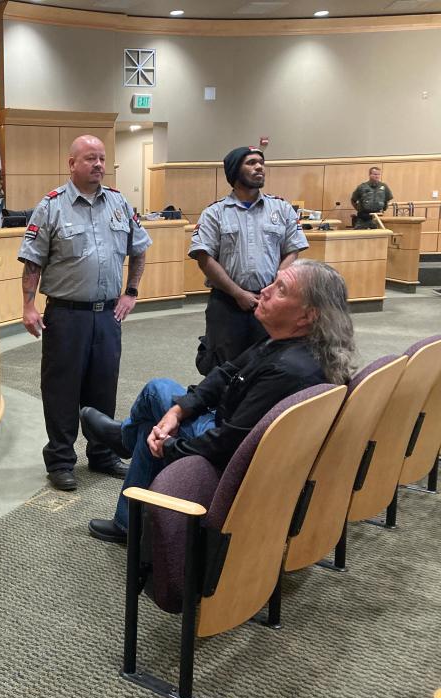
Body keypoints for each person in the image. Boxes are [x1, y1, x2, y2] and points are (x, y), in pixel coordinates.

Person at [80, 259, 356, 543]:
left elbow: (228, 444)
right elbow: (226, 373)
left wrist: (171, 444)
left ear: (306, 316)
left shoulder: (288, 370)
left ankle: (125, 444)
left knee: (153, 404)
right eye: (273, 281)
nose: (264, 290)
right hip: (234, 431)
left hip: (233, 457)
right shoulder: (288, 341)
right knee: (161, 407)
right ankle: (127, 449)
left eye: (280, 289)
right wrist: (178, 410)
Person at [18, 135, 152, 492]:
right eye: (90, 158)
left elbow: (139, 249)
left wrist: (132, 292)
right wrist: (29, 305)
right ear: (72, 164)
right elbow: (33, 260)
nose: (98, 165)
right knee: (61, 389)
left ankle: (102, 453)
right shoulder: (51, 207)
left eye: (102, 159)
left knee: (103, 384)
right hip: (67, 314)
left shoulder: (120, 205)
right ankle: (62, 460)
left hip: (108, 315)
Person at [190, 146, 308, 375]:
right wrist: (237, 293)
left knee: (269, 363)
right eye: (251, 163)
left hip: (271, 302)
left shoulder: (281, 208)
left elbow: (292, 251)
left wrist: (273, 286)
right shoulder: (215, 213)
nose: (259, 167)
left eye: (261, 163)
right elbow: (204, 258)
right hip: (227, 304)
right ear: (235, 171)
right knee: (222, 366)